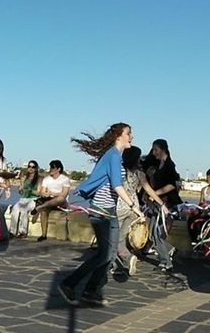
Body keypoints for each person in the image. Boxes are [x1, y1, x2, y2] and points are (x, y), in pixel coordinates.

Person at [57, 123, 149, 307]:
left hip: (110, 212)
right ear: (118, 136)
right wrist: (134, 207)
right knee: (104, 255)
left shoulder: (116, 156)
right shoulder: (113, 155)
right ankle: (69, 284)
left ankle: (91, 291)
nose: (132, 137)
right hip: (100, 212)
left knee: (109, 253)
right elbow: (116, 184)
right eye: (129, 133)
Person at [115, 146, 165, 276]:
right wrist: (161, 204)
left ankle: (126, 258)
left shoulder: (120, 170)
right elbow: (149, 190)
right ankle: (118, 264)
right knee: (122, 238)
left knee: (113, 239)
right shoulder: (139, 173)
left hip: (120, 205)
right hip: (134, 209)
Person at [148, 139, 183, 272]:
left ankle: (166, 261)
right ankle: (166, 258)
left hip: (167, 203)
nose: (154, 152)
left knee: (157, 232)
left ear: (162, 149)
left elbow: (171, 184)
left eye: (156, 149)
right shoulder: (158, 165)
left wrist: (155, 193)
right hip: (157, 202)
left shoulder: (169, 165)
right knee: (153, 233)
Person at [31, 160, 70, 242]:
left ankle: (40, 207)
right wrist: (45, 194)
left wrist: (53, 193)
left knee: (60, 199)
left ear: (58, 169)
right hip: (49, 200)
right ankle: (43, 235)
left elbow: (64, 194)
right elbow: (42, 191)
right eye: (50, 167)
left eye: (53, 167)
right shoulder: (46, 179)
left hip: (60, 201)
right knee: (44, 212)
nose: (50, 169)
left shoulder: (65, 179)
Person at [9, 160, 41, 238]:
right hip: (24, 198)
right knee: (15, 209)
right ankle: (12, 231)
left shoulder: (39, 178)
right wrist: (20, 189)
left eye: (33, 167)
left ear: (36, 168)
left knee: (24, 210)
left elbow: (39, 192)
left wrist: (31, 191)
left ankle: (23, 231)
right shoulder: (24, 178)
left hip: (33, 199)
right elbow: (21, 191)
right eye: (29, 166)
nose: (31, 168)